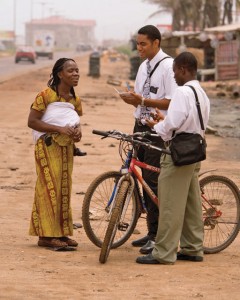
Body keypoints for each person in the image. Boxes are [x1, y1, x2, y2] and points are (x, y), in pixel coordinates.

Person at [136, 51, 210, 264]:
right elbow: (190, 119)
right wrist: (165, 121)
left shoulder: (182, 92)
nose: (174, 76)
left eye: (175, 71)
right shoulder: (200, 92)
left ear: (183, 69)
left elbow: (173, 123)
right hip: (194, 151)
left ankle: (163, 253)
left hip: (178, 152)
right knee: (191, 204)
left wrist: (156, 125)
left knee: (169, 204)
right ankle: (192, 247)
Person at [119, 25, 177, 254]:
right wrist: (132, 100)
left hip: (157, 130)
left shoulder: (168, 66)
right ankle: (150, 231)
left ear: (156, 43)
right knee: (142, 178)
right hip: (140, 126)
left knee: (154, 181)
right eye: (137, 43)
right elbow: (141, 99)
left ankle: (158, 235)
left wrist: (142, 101)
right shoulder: (143, 66)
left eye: (143, 43)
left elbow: (172, 102)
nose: (139, 47)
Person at [28, 57, 84, 249]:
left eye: (77, 70)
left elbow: (74, 122)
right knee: (48, 188)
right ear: (60, 74)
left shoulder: (75, 100)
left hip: (66, 149)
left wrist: (77, 133)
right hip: (47, 147)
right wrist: (59, 129)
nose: (76, 74)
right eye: (71, 71)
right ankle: (46, 235)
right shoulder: (45, 95)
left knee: (64, 188)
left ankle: (61, 233)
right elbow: (32, 122)